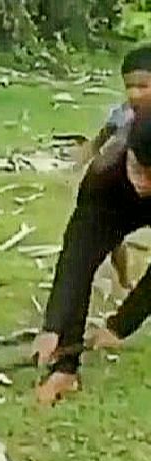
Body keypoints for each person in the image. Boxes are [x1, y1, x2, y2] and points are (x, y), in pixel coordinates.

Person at [32, 114, 151, 406]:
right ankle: (65, 370)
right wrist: (54, 325)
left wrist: (121, 325)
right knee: (81, 265)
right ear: (128, 154)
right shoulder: (103, 175)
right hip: (114, 207)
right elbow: (76, 259)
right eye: (139, 169)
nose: (144, 183)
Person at [75, 45, 151, 291]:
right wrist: (90, 154)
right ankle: (125, 277)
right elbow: (105, 137)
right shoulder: (124, 114)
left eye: (142, 87)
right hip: (122, 181)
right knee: (113, 237)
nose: (134, 94)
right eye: (130, 87)